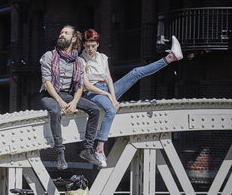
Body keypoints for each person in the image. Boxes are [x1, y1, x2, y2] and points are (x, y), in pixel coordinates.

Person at [81, 29, 183, 167]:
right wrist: (108, 96)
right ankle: (99, 149)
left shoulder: (102, 57)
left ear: (97, 44)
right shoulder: (81, 60)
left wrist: (114, 98)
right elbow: (87, 85)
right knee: (111, 111)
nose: (90, 49)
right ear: (83, 45)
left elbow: (109, 79)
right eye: (87, 45)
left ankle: (171, 58)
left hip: (107, 89)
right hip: (93, 93)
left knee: (135, 72)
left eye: (93, 45)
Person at [40, 26, 103, 170]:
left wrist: (74, 102)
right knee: (55, 111)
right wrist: (61, 102)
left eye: (66, 33)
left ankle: (87, 149)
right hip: (49, 95)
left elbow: (80, 86)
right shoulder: (49, 56)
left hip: (68, 95)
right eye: (61, 32)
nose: (62, 35)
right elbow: (47, 82)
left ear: (73, 39)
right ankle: (60, 153)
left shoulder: (78, 61)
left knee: (95, 109)